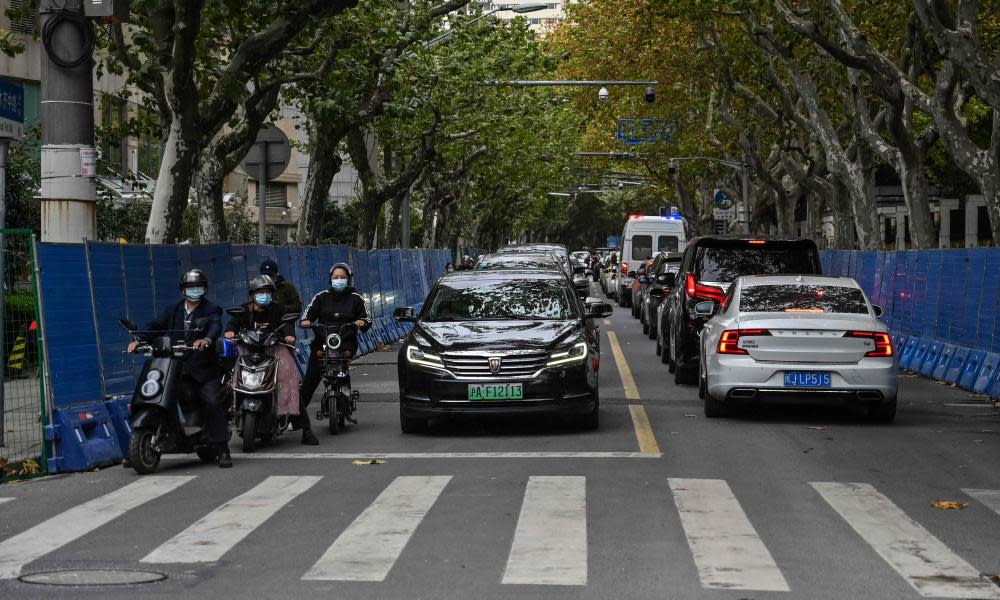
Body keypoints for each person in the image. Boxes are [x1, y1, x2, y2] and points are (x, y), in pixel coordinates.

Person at [128, 269, 231, 468]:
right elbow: (156, 327)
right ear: (183, 290)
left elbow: (215, 327)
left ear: (205, 288)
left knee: (211, 401)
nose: (195, 291)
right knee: (158, 394)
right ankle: (149, 442)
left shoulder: (212, 309)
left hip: (203, 369)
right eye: (191, 287)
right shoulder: (173, 309)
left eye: (198, 287)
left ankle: (222, 448)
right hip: (176, 367)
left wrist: (206, 339)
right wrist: (139, 341)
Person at [297, 263, 372, 444]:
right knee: (311, 378)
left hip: (345, 342)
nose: (339, 280)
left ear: (349, 278)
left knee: (342, 367)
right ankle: (296, 419)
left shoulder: (356, 299)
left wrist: (361, 322)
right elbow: (306, 316)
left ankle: (345, 396)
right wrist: (306, 321)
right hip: (322, 343)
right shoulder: (321, 297)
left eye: (342, 277)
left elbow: (367, 319)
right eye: (335, 277)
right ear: (330, 279)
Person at [224, 275, 301, 418]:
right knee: (229, 379)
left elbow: (287, 325)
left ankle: (304, 427)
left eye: (267, 292)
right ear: (252, 295)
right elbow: (233, 322)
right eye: (260, 292)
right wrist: (230, 331)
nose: (264, 296)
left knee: (288, 379)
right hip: (247, 350)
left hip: (274, 350)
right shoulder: (244, 309)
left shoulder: (279, 309)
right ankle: (229, 412)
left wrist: (289, 336)